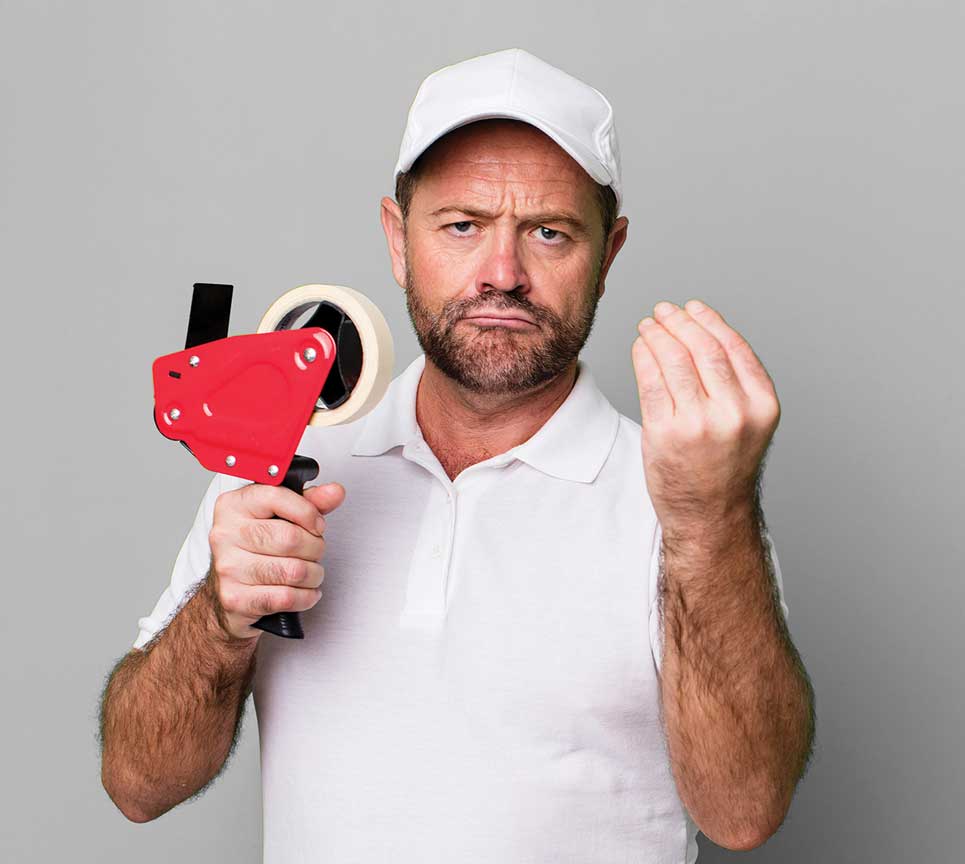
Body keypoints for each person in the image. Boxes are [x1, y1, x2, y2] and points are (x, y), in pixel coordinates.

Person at [99, 47, 815, 862]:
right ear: (398, 240)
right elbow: (136, 782)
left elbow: (743, 811)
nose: (500, 274)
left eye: (548, 232)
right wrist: (221, 620)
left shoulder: (682, 499)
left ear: (608, 254)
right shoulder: (280, 466)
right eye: (462, 226)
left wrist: (707, 516)